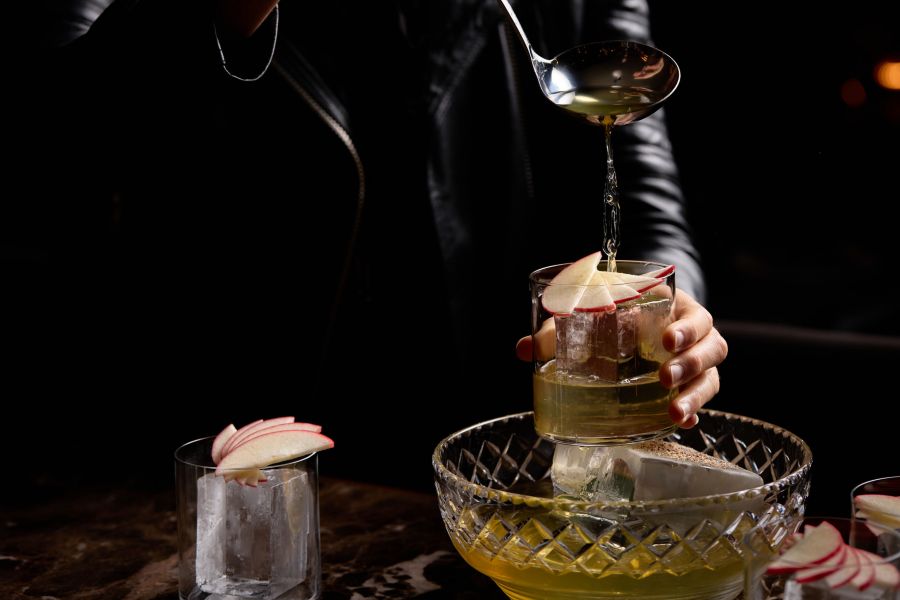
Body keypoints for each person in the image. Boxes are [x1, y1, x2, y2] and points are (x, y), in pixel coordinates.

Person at [19, 0, 726, 487]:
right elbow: (52, 146)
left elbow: (637, 190)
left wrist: (674, 311)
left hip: (495, 461)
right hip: (226, 467)